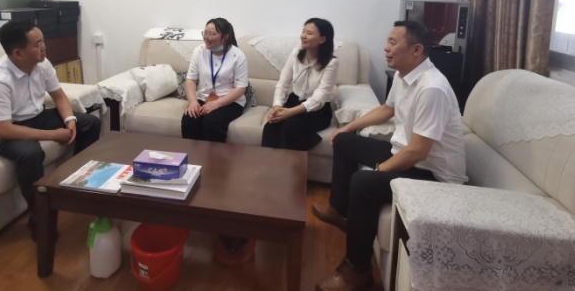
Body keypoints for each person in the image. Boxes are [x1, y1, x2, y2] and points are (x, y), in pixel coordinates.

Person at [313, 20, 467, 291]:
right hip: (407, 155)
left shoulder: (432, 88)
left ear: (416, 50)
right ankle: (340, 212)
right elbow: (387, 109)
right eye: (387, 41)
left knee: (364, 182)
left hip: (433, 175)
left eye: (393, 43)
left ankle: (357, 272)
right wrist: (348, 127)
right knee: (345, 142)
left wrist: (380, 171)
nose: (386, 48)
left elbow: (418, 151)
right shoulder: (403, 75)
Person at [0, 20, 101, 238]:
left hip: (36, 117)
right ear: (18, 53)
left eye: (43, 41)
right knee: (30, 153)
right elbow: (4, 130)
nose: (44, 47)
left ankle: (76, 186)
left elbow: (59, 96)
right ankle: (39, 216)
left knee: (89, 123)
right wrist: (53, 135)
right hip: (3, 130)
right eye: (37, 44)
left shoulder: (42, 64)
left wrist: (70, 120)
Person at [261, 18, 339, 151]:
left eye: (309, 33)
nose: (303, 36)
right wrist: (277, 107)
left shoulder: (331, 63)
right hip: (293, 101)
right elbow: (282, 84)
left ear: (322, 39)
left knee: (290, 127)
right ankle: (267, 162)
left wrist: (289, 113)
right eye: (303, 31)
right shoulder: (295, 54)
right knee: (271, 125)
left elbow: (319, 98)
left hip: (317, 111)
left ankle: (291, 164)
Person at [181, 17, 248, 142]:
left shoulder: (238, 55)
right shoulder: (199, 51)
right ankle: (192, 154)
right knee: (189, 119)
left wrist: (217, 103)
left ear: (225, 37)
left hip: (229, 101)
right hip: (204, 98)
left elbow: (240, 88)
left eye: (212, 34)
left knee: (211, 122)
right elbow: (191, 80)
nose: (207, 37)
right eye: (205, 33)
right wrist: (193, 102)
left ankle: (213, 155)